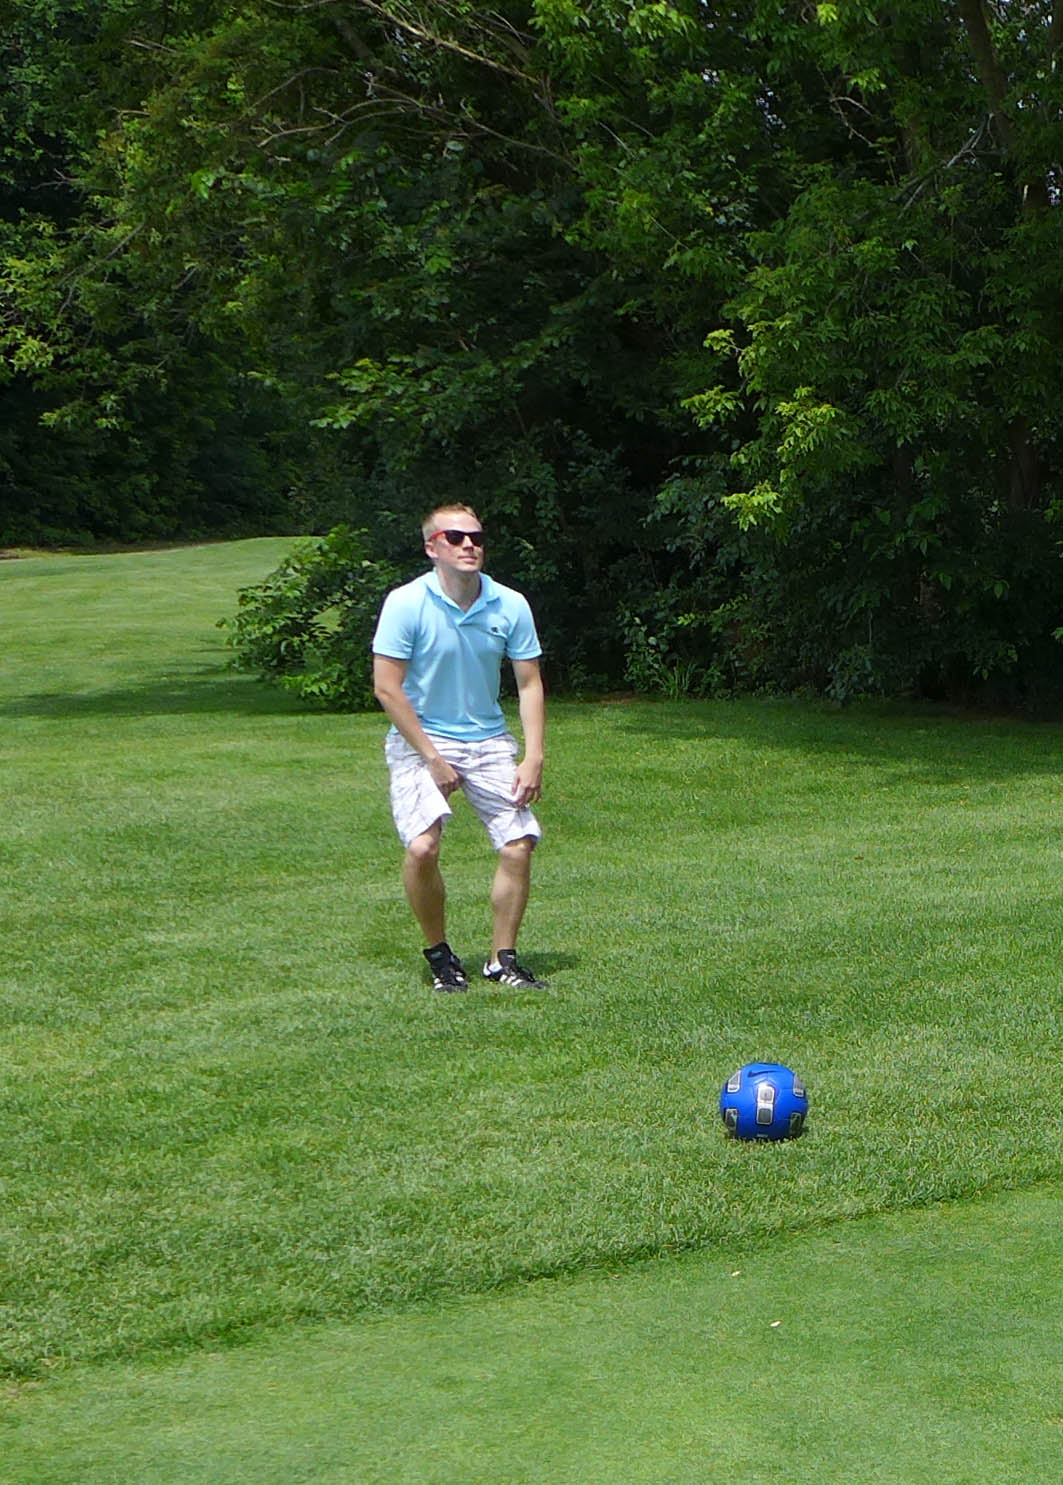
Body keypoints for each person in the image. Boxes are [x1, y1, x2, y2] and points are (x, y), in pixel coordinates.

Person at [372, 504, 548, 992]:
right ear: (432, 548)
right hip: (420, 742)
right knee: (423, 847)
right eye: (455, 537)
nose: (469, 545)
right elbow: (387, 687)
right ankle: (440, 955)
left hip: (489, 740)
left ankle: (502, 959)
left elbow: (529, 683)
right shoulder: (406, 603)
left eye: (476, 537)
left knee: (518, 846)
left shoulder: (509, 604)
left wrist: (533, 755)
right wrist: (432, 755)